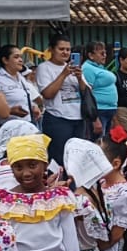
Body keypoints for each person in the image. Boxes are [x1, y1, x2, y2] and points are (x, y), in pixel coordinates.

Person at [35, 35, 89, 165]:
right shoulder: (44, 68)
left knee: (77, 157)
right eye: (61, 49)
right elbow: (48, 94)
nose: (65, 52)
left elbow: (87, 92)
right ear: (52, 50)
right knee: (59, 157)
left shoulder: (74, 67)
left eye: (68, 49)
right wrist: (63, 74)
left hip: (78, 117)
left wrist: (80, 77)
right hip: (57, 118)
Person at [0, 45, 39, 121]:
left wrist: (33, 106)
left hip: (27, 124)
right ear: (5, 60)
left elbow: (25, 97)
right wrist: (10, 111)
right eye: (16, 57)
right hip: (8, 126)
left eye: (21, 57)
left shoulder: (20, 77)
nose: (21, 60)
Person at [81, 41, 117, 142]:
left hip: (108, 110)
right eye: (101, 53)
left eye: (105, 53)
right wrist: (94, 119)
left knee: (107, 142)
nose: (105, 56)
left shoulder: (99, 67)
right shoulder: (88, 68)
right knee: (99, 142)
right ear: (91, 55)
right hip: (99, 111)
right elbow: (88, 93)